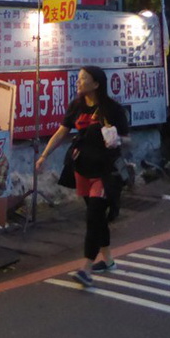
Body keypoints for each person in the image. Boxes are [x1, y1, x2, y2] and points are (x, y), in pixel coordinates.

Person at [36, 65, 130, 287]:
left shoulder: (112, 109)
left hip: (105, 170)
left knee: (93, 216)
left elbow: (129, 140)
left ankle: (86, 267)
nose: (78, 82)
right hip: (82, 168)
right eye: (78, 78)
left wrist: (117, 140)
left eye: (83, 79)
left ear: (96, 83)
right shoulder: (77, 105)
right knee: (95, 215)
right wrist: (44, 155)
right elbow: (62, 131)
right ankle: (107, 261)